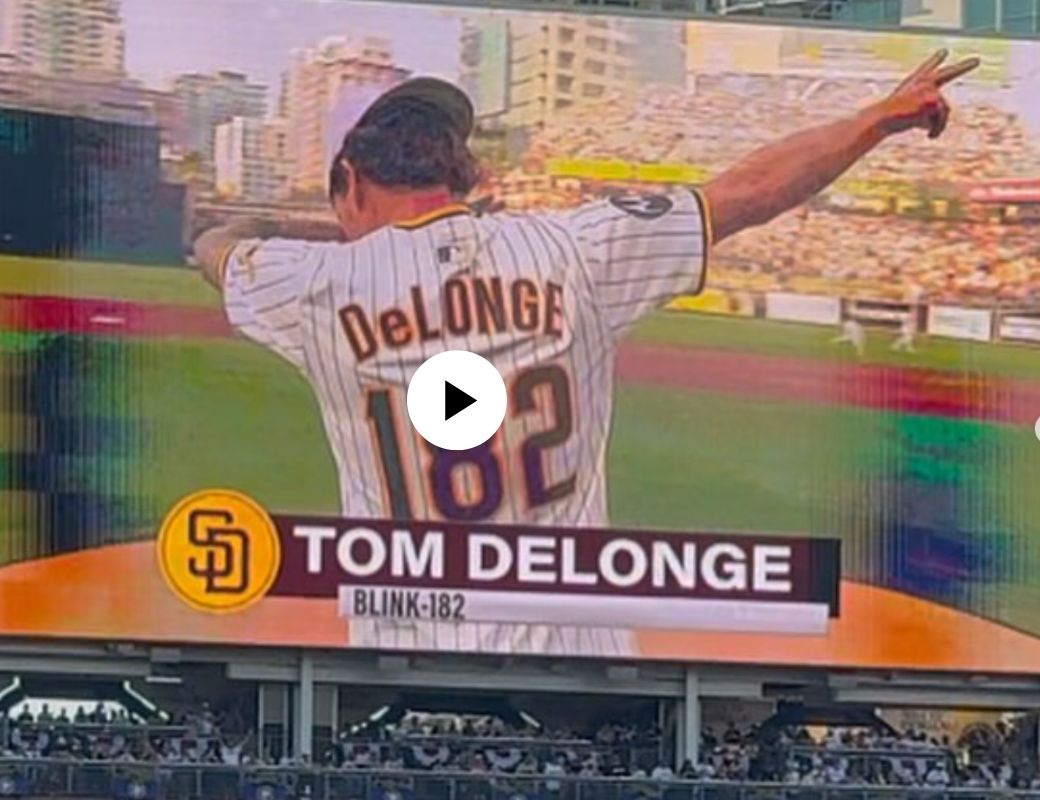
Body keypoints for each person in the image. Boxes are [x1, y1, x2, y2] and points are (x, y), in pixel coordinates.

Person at [195, 52, 979, 656]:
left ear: (350, 184)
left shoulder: (313, 281)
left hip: (401, 663)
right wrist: (876, 119)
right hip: (576, 668)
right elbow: (748, 191)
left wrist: (317, 238)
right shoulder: (571, 248)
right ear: (472, 174)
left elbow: (216, 247)